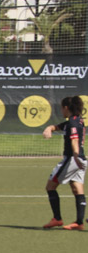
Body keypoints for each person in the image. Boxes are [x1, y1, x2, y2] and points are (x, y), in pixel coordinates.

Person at [41, 95, 86, 230]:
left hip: (72, 159)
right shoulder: (77, 121)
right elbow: (57, 127)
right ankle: (79, 222)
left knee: (50, 187)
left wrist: (76, 157)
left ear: (66, 108)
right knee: (77, 189)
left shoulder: (72, 123)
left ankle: (57, 219)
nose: (61, 111)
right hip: (80, 159)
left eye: (62, 108)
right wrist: (49, 128)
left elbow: (74, 141)